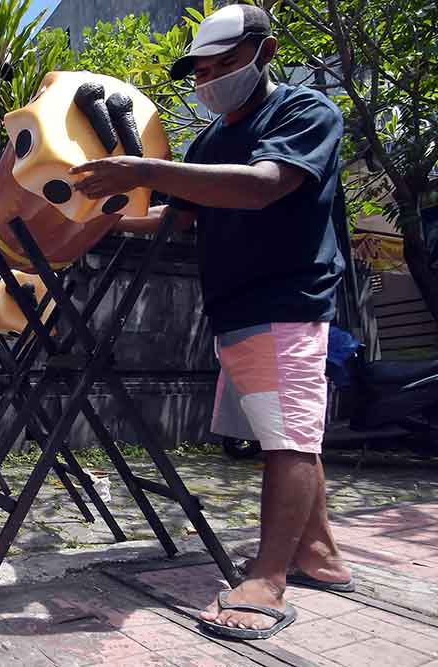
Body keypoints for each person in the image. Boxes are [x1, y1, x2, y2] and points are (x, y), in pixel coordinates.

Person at [69, 4, 353, 640]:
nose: (213, 77)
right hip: (233, 306)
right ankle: (320, 555)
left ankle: (268, 578)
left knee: (290, 439)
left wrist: (143, 170)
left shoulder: (305, 113)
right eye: (204, 68)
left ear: (265, 53)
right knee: (284, 426)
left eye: (228, 63)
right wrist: (103, 222)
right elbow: (180, 217)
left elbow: (262, 185)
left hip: (288, 299)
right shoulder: (207, 142)